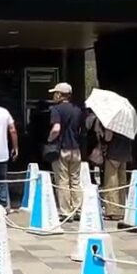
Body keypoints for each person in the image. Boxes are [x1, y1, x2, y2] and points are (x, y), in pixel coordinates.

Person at [47, 82, 83, 217]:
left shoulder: (56, 109)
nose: (54, 95)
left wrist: (50, 139)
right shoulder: (78, 109)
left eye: (55, 93)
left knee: (62, 180)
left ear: (60, 94)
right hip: (76, 149)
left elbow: (56, 128)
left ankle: (65, 211)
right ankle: (78, 209)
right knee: (75, 181)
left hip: (62, 148)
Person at [87, 111, 131, 221]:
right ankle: (122, 208)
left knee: (111, 183)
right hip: (124, 153)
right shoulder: (127, 121)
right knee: (122, 182)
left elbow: (108, 137)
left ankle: (112, 211)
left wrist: (102, 132)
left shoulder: (112, 121)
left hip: (113, 154)